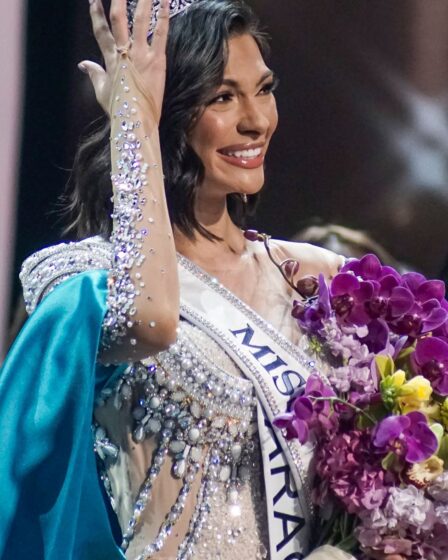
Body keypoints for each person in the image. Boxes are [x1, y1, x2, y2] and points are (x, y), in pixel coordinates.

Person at [1, 1, 378, 558]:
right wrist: (133, 117)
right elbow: (150, 321)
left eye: (264, 88)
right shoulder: (85, 280)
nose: (256, 119)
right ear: (168, 110)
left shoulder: (311, 275)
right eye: (222, 97)